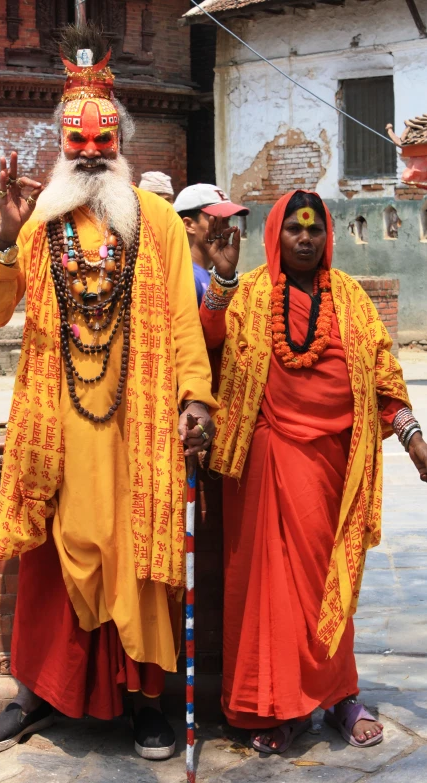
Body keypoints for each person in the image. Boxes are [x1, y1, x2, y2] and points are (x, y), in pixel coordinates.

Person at [0, 25, 216, 759]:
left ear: (122, 141)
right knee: (51, 571)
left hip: (135, 434)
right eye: (76, 142)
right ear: (59, 145)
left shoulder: (160, 223)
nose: (90, 152)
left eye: (102, 139)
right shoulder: (38, 223)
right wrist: (5, 241)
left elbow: (180, 321)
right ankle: (35, 696)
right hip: (58, 435)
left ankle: (145, 708)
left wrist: (195, 398)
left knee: (140, 571)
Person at [199, 189, 427, 753]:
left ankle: (339, 696)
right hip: (262, 462)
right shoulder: (249, 292)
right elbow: (205, 341)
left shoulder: (349, 298)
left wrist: (412, 437)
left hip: (332, 466)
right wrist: (222, 281)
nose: (305, 239)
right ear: (275, 236)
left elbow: (382, 375)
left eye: (316, 230)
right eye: (294, 230)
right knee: (267, 592)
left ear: (328, 236)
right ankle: (278, 707)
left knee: (331, 584)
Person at [173, 184, 249, 307]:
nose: (227, 228)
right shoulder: (187, 278)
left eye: (227, 220)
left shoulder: (208, 274)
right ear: (188, 225)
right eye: (218, 221)